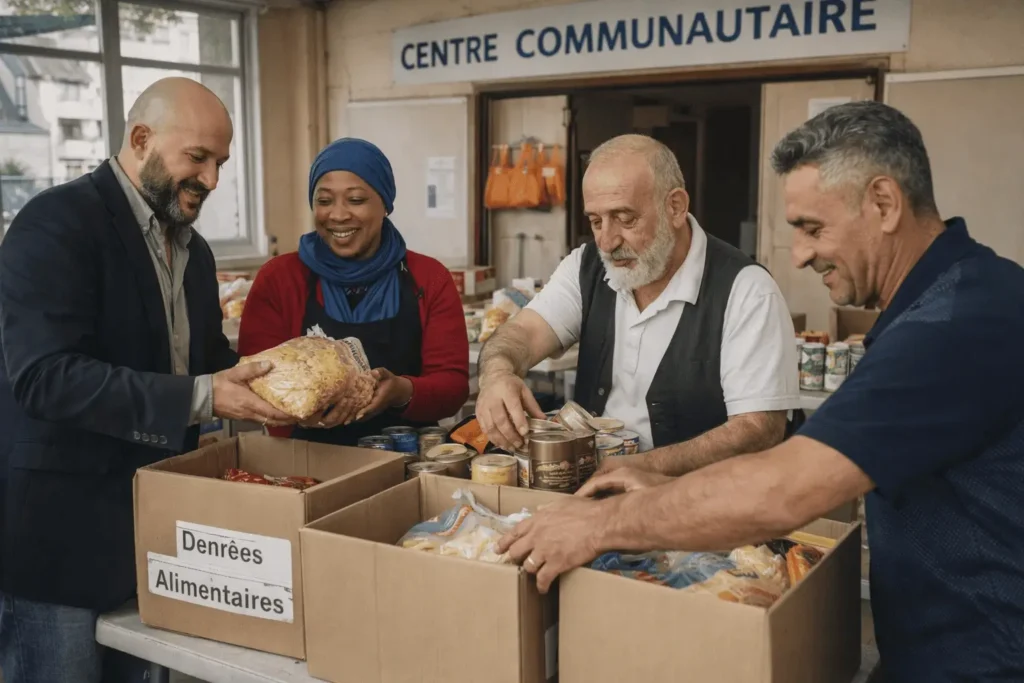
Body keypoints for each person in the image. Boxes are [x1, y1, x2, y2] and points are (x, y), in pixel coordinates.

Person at [496, 101, 1024, 681]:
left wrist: (600, 523)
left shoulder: (955, 324)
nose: (798, 254)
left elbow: (785, 487)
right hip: (934, 645)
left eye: (813, 229)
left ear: (884, 203)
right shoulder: (952, 298)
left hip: (983, 656)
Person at [0, 77, 293, 683]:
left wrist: (277, 382)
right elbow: (45, 377)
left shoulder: (195, 252)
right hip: (58, 541)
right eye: (198, 158)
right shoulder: (56, 223)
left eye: (221, 163)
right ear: (140, 139)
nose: (212, 180)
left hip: (155, 534)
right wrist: (207, 395)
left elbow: (204, 361)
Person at [476, 134, 800, 474]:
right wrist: (497, 374)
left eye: (625, 219)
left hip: (700, 504)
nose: (607, 241)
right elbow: (524, 333)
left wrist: (638, 467)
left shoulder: (746, 289)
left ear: (675, 206)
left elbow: (759, 429)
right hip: (595, 492)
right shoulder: (586, 266)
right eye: (596, 221)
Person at [237, 137, 469, 445]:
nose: (338, 215)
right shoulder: (280, 279)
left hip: (406, 457)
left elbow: (452, 387)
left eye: (356, 200)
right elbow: (255, 378)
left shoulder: (428, 278)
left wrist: (401, 391)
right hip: (305, 461)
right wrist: (301, 415)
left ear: (385, 204)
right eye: (324, 201)